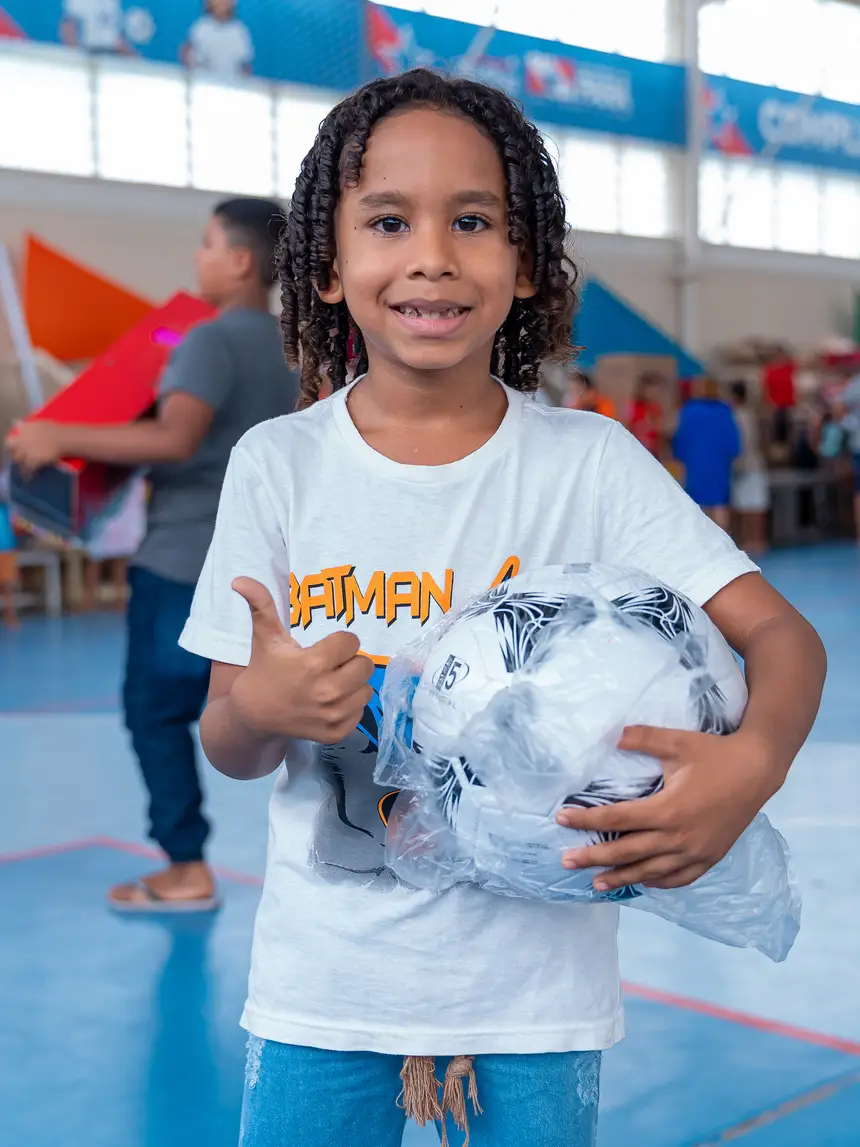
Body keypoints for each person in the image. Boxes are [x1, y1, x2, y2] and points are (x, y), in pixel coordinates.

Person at [177, 71, 824, 1147]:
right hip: (325, 990)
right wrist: (262, 708)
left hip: (533, 1003)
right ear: (327, 266)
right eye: (389, 221)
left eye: (472, 221)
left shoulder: (588, 462)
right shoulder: (278, 465)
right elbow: (227, 740)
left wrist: (751, 764)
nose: (432, 254)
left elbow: (782, 636)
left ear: (525, 264)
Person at [6, 197, 299, 910]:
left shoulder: (205, 340)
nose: (198, 258)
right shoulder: (295, 346)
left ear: (240, 261)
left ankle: (185, 866)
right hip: (268, 568)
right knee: (268, 716)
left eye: (208, 245)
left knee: (154, 713)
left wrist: (58, 435)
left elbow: (175, 437)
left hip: (182, 563)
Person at [672, 376, 741, 531]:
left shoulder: (689, 411)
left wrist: (680, 456)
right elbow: (733, 442)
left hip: (695, 464)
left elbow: (681, 439)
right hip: (719, 464)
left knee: (698, 503)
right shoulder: (724, 411)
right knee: (720, 503)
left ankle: (702, 538)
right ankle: (723, 538)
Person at [729, 381, 769, 554]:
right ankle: (756, 540)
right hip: (753, 463)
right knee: (754, 504)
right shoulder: (749, 414)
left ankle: (752, 540)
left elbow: (744, 442)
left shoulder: (738, 415)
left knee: (748, 505)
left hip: (745, 465)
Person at [181, 0, 254, 78]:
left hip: (231, 83)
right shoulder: (200, 28)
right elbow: (190, 59)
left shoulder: (240, 32)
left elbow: (245, 66)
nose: (221, 2)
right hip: (204, 82)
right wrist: (187, 57)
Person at [60, 0, 131, 54]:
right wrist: (77, 57)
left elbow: (120, 40)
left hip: (114, 54)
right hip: (88, 52)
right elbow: (68, 27)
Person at [626, 371, 665, 457]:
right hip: (635, 452)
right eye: (652, 389)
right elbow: (625, 428)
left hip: (652, 454)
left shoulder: (657, 409)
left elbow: (659, 435)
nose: (655, 392)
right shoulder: (632, 407)